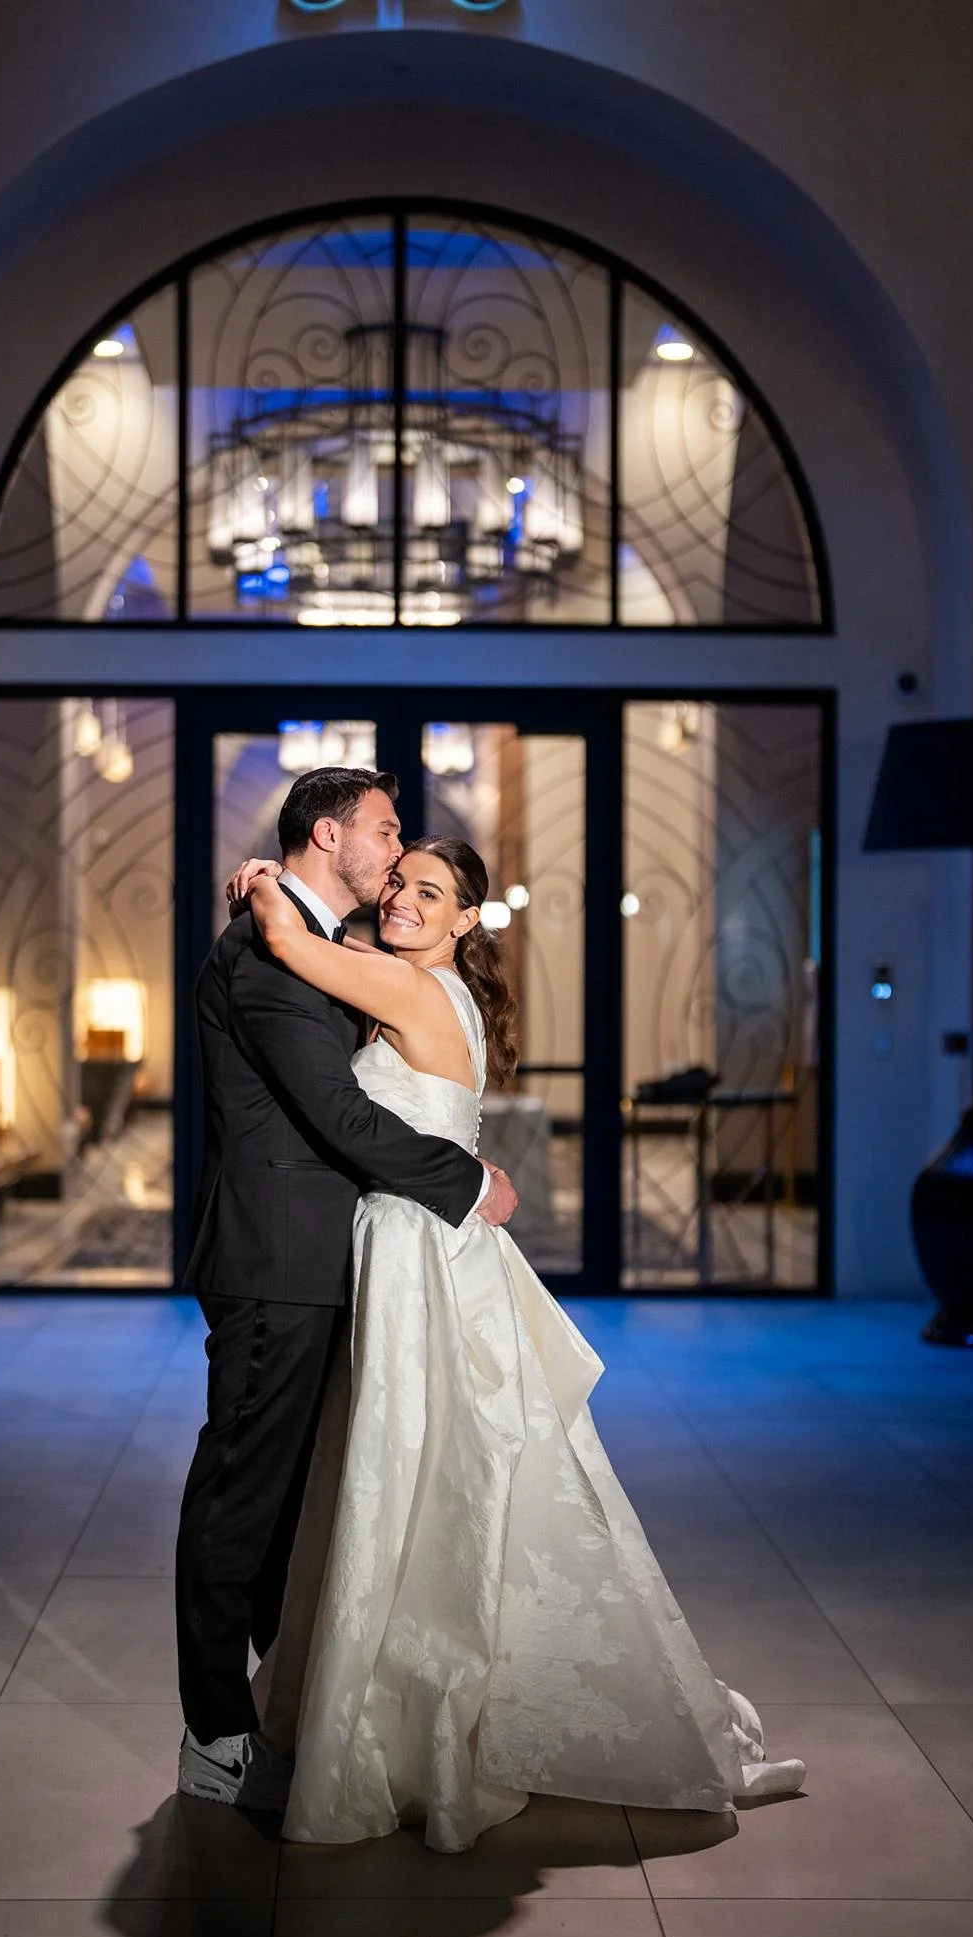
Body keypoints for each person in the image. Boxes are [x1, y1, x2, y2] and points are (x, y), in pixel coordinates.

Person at [231, 833, 806, 1853]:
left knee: (412, 1468)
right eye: (399, 881)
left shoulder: (406, 987)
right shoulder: (422, 986)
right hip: (430, 1244)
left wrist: (262, 880)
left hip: (416, 1250)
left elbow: (284, 937)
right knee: (436, 1469)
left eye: (429, 893)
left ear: (464, 921)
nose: (402, 898)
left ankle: (411, 1721)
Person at [175, 770, 519, 1812]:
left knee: (303, 1499)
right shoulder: (272, 956)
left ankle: (292, 1700)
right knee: (241, 1495)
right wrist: (467, 1179)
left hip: (337, 1261)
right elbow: (340, 1116)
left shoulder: (321, 943)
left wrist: (274, 887)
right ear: (331, 835)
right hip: (278, 1262)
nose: (396, 846)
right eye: (384, 830)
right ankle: (215, 1729)